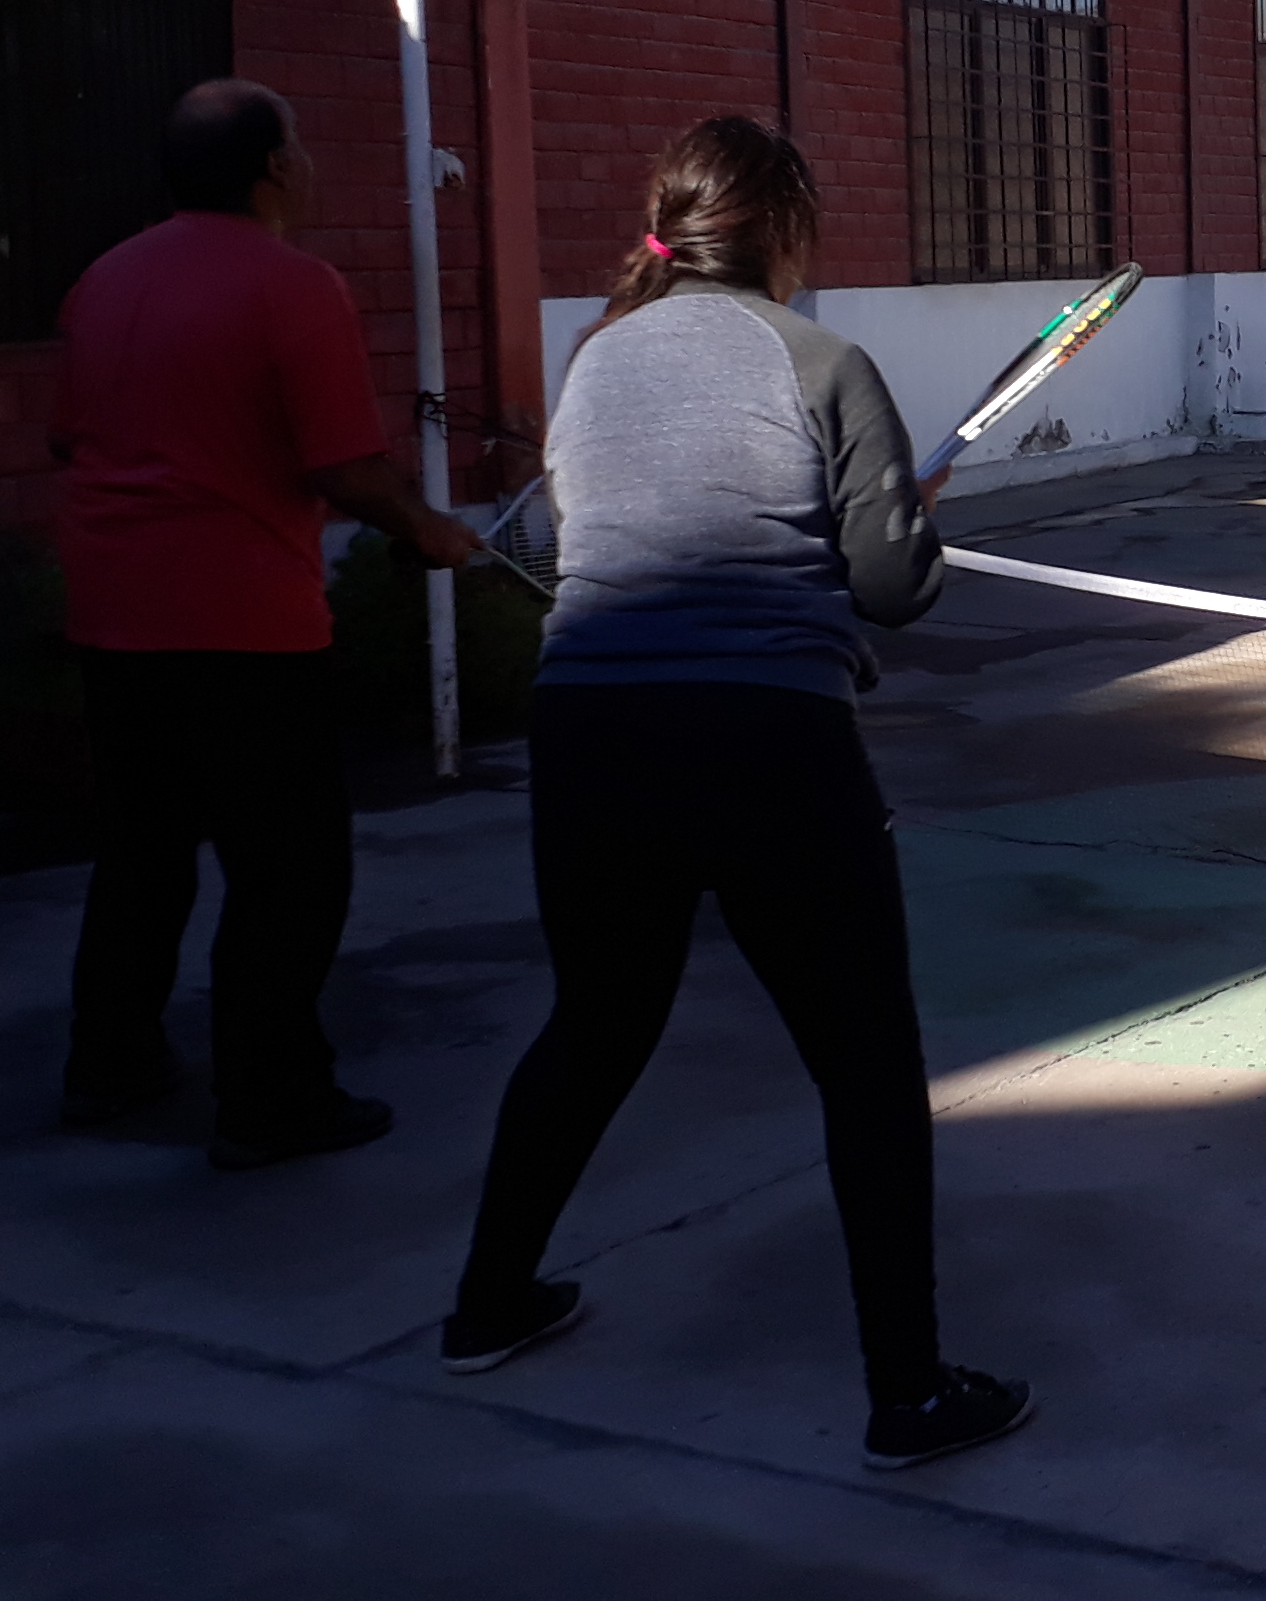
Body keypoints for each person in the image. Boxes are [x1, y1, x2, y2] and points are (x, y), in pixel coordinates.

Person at [440, 115, 1031, 1473]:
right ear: (785, 226)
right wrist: (906, 515)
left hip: (588, 734)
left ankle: (486, 1302)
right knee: (863, 1060)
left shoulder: (595, 357)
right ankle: (907, 1391)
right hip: (766, 738)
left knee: (594, 1025)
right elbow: (894, 586)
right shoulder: (820, 360)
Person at [52, 79, 478, 1167]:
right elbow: (341, 464)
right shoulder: (295, 286)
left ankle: (110, 1062)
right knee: (288, 869)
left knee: (142, 851)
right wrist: (428, 529)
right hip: (242, 616)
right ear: (275, 168)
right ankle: (271, 1097)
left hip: (111, 609)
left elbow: (69, 438)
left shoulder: (104, 279)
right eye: (300, 146)